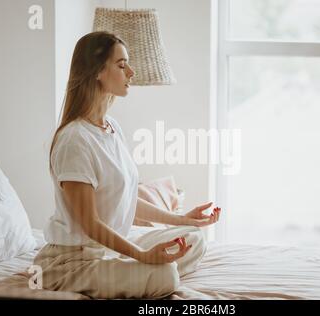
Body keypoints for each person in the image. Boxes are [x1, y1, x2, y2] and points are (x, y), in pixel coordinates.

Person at [34, 31, 221, 299]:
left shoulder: (112, 128)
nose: (131, 72)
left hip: (108, 250)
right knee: (166, 275)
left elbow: (128, 199)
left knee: (193, 239)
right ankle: (139, 271)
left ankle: (133, 270)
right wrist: (143, 255)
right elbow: (91, 224)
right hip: (73, 262)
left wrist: (182, 219)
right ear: (98, 71)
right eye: (122, 65)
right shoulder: (74, 139)